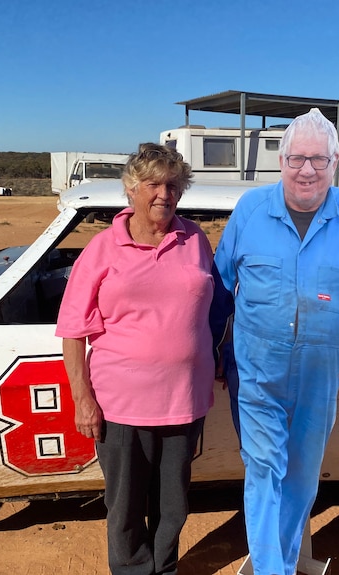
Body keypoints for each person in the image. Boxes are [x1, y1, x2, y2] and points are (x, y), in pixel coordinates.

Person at [214, 108, 339, 575]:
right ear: (281, 161)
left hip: (321, 370)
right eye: (298, 158)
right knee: (263, 469)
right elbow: (218, 286)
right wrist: (210, 351)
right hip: (258, 367)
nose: (308, 170)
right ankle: (272, 570)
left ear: (336, 162)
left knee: (300, 475)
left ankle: (279, 558)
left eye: (319, 160)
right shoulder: (251, 210)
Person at [55, 143, 226, 575]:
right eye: (152, 184)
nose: (163, 194)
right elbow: (73, 330)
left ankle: (163, 569)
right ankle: (132, 570)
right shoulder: (102, 248)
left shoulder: (195, 240)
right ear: (131, 189)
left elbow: (210, 309)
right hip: (121, 405)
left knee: (174, 505)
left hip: (184, 400)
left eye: (172, 185)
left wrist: (219, 355)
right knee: (126, 506)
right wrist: (83, 399)